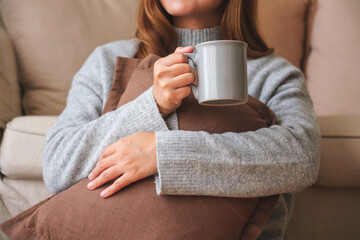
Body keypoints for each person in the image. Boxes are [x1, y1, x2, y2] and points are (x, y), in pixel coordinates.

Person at [43, 0, 320, 238]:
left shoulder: (273, 73)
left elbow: (302, 157)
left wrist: (161, 153)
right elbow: (57, 166)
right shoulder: (107, 60)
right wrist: (151, 105)